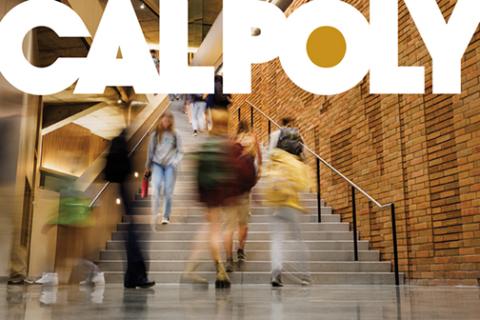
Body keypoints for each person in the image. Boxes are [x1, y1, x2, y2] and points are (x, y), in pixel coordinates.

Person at [182, 111, 234, 288]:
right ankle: (219, 271)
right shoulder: (224, 145)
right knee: (214, 232)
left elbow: (196, 167)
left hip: (207, 194)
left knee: (208, 231)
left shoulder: (206, 145)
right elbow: (228, 171)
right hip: (218, 194)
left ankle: (191, 269)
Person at [106, 129, 155, 289]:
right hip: (128, 201)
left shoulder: (121, 145)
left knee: (132, 241)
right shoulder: (126, 147)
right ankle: (138, 277)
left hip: (125, 200)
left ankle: (131, 278)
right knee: (135, 241)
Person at [263, 144, 313, 287]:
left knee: (276, 240)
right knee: (298, 239)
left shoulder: (273, 158)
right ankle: (305, 276)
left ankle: (276, 272)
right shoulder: (295, 163)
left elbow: (264, 177)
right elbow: (303, 186)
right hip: (290, 204)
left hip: (272, 203)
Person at [223, 121, 262, 272]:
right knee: (243, 224)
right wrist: (255, 179)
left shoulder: (232, 141)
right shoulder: (253, 138)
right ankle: (240, 250)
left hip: (229, 191)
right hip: (245, 190)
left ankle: (228, 258)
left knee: (228, 227)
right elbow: (259, 163)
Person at [145, 112, 183, 227]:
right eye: (164, 120)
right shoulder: (155, 135)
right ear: (161, 120)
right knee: (156, 189)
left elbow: (180, 151)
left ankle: (165, 216)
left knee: (168, 191)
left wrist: (175, 162)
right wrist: (147, 166)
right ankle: (155, 212)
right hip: (157, 165)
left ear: (171, 121)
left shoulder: (176, 134)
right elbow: (150, 152)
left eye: (168, 120)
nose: (166, 122)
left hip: (170, 166)